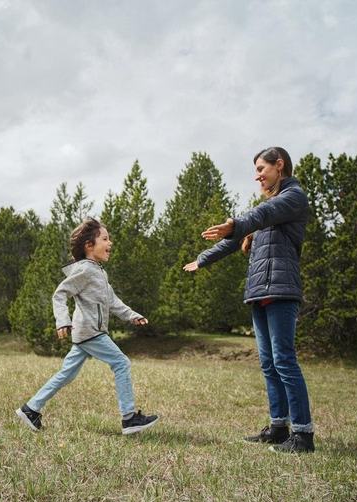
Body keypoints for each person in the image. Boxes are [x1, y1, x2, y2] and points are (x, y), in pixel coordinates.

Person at [183, 146, 315, 453]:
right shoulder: (270, 207)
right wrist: (203, 259)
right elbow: (234, 241)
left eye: (260, 169)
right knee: (269, 364)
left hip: (281, 290)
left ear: (279, 165)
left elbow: (261, 214)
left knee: (284, 360)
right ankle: (279, 428)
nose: (257, 176)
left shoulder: (293, 198)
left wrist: (239, 222)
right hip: (259, 292)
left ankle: (303, 435)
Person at [16, 218, 159, 435]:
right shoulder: (86, 270)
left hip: (86, 333)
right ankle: (129, 418)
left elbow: (112, 301)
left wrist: (132, 316)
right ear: (89, 246)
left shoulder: (99, 272)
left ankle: (30, 408)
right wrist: (62, 320)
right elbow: (60, 294)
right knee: (121, 363)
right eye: (104, 238)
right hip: (91, 332)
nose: (110, 242)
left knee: (67, 374)